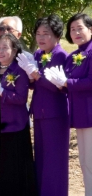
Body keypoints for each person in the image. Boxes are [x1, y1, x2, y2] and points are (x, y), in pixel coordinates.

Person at [16, 14, 69, 196]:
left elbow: (58, 87)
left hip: (55, 113)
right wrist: (30, 77)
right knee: (40, 157)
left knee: (54, 160)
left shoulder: (61, 55)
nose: (41, 37)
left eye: (46, 33)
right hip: (39, 112)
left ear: (57, 35)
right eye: (38, 33)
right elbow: (35, 84)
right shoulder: (38, 54)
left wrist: (36, 75)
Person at [0, 33, 36, 196]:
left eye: (5, 48)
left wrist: (2, 92)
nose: (0, 51)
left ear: (14, 50)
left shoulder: (19, 70)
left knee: (12, 167)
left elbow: (21, 98)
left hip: (15, 125)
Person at [44, 13, 92, 196]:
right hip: (80, 116)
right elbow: (67, 86)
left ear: (90, 30)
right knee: (85, 162)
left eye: (80, 28)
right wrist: (59, 84)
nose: (76, 33)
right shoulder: (73, 56)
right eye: (72, 29)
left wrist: (66, 83)